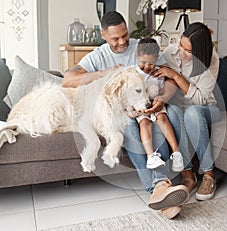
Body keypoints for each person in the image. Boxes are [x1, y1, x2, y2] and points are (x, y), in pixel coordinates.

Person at [62, 11, 189, 219]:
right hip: (121, 113)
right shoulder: (99, 56)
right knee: (130, 126)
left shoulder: (142, 48)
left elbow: (171, 78)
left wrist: (163, 99)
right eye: (115, 38)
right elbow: (68, 79)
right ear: (103, 35)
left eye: (125, 35)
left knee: (155, 122)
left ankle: (161, 191)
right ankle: (160, 186)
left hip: (148, 107)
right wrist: (105, 74)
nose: (122, 42)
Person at [151, 22, 221, 201]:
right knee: (172, 112)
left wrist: (176, 75)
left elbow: (200, 99)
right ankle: (188, 175)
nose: (180, 52)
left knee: (192, 112)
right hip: (179, 106)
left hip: (207, 108)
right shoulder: (170, 53)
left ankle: (209, 174)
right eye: (181, 45)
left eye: (188, 51)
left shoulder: (211, 60)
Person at [134, 38, 184, 172]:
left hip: (156, 103)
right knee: (144, 123)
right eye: (143, 62)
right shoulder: (132, 73)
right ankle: (151, 156)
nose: (146, 67)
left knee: (162, 118)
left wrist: (161, 97)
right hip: (141, 106)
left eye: (151, 63)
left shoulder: (159, 73)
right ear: (137, 57)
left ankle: (176, 153)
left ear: (156, 59)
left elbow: (164, 90)